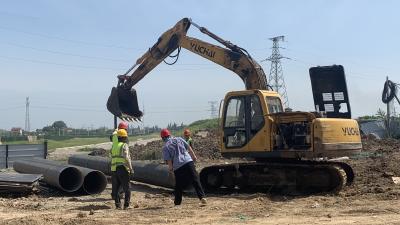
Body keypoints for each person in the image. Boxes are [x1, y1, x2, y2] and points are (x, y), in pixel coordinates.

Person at [160, 128, 207, 206]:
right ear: (169, 135)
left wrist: (171, 170)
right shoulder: (179, 139)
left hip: (178, 166)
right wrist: (194, 157)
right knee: (195, 179)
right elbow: (189, 147)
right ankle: (202, 197)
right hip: (188, 161)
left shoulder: (165, 147)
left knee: (178, 185)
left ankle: (177, 203)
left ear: (162, 138)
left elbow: (168, 160)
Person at [110, 128, 133, 209]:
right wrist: (130, 168)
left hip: (114, 169)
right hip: (123, 169)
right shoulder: (124, 145)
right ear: (123, 138)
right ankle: (126, 205)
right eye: (125, 137)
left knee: (116, 188)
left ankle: (118, 205)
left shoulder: (114, 146)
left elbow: (111, 156)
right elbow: (127, 158)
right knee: (127, 188)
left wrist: (115, 131)